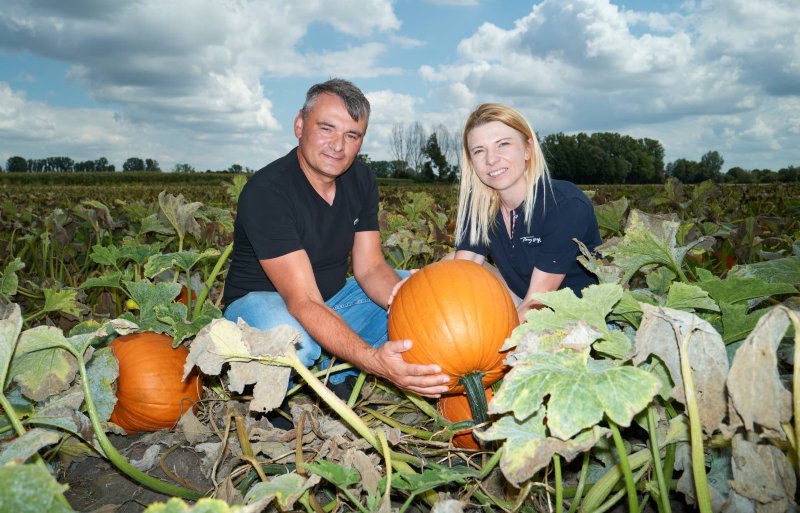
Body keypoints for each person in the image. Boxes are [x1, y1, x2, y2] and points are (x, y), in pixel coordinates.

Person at [222, 78, 450, 400]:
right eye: (326, 129)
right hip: (262, 309)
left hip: (330, 305)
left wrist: (406, 301)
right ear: (300, 124)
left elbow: (370, 269)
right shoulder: (268, 192)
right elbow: (303, 301)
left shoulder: (361, 179)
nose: (338, 146)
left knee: (411, 292)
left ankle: (333, 364)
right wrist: (374, 362)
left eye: (352, 135)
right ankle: (279, 391)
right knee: (291, 335)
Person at [449, 103, 602, 323]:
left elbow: (538, 302)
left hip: (575, 320)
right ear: (471, 161)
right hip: (522, 301)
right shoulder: (480, 205)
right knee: (448, 266)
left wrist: (490, 346)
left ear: (528, 149)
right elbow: (464, 266)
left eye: (503, 144)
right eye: (479, 151)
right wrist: (422, 287)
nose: (491, 159)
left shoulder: (564, 204)